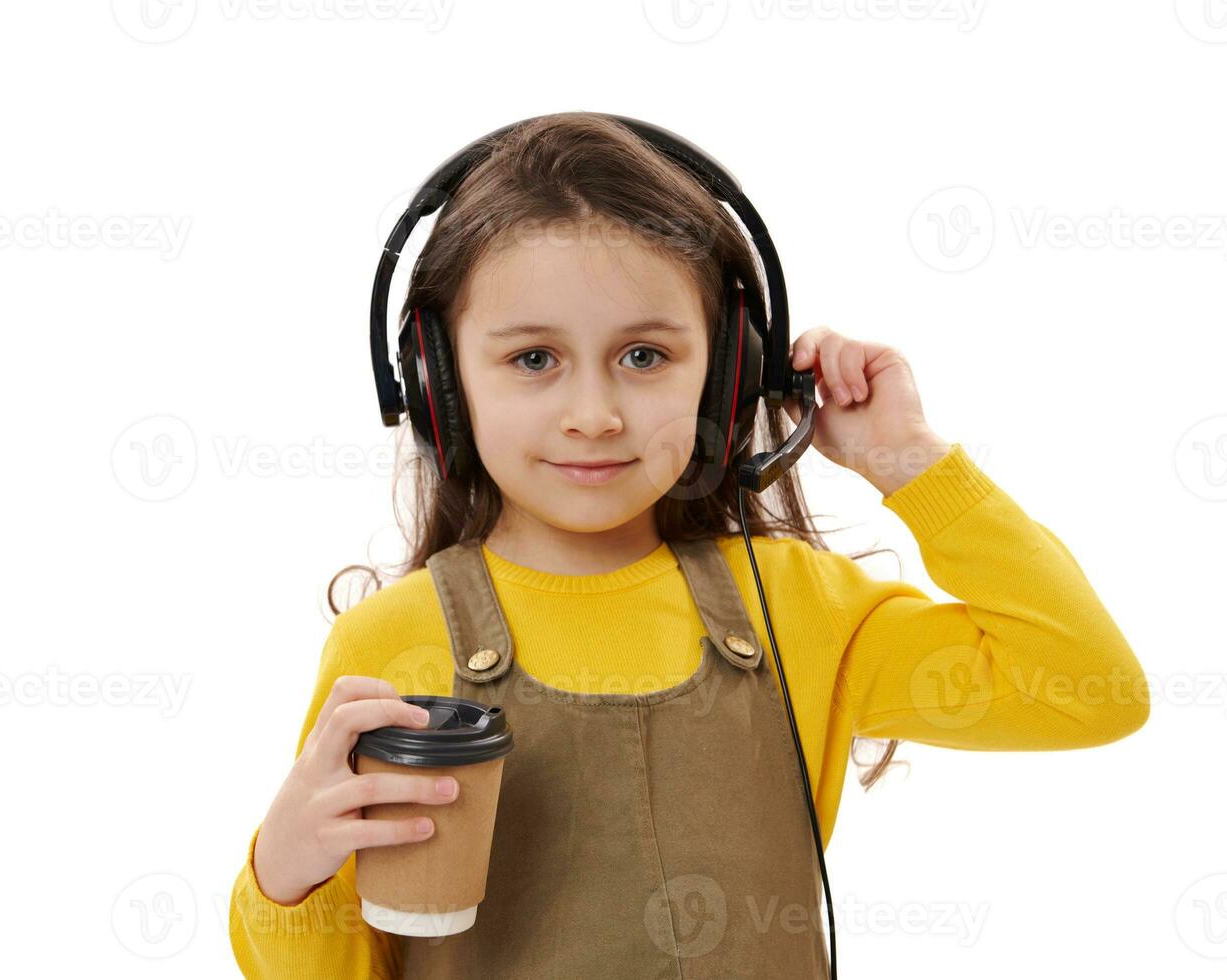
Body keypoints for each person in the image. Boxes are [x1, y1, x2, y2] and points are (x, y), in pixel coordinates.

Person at [228, 111, 1150, 979]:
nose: (592, 416)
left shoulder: (799, 607)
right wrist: (284, 873)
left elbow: (1082, 691)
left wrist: (910, 464)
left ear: (729, 374)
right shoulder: (392, 644)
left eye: (644, 356)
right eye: (533, 359)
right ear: (438, 383)